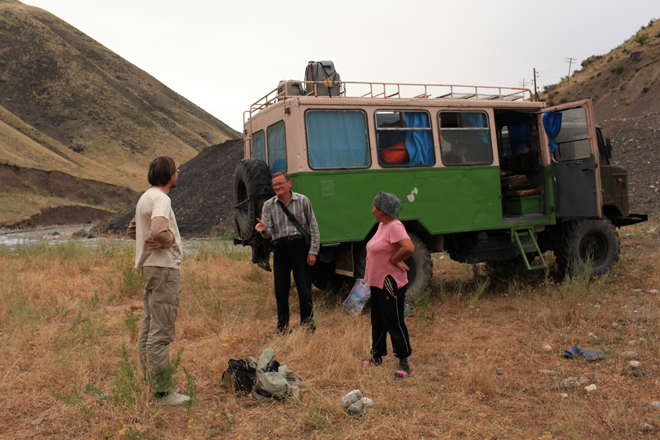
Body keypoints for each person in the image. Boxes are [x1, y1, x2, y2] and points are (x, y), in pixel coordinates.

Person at [127, 156, 190, 405]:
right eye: (176, 170)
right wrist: (168, 240)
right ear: (169, 175)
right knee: (161, 331)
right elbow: (157, 231)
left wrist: (150, 241)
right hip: (164, 269)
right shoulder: (162, 198)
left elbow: (134, 230)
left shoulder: (145, 197)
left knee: (149, 326)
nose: (178, 173)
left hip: (150, 268)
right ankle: (162, 393)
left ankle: (149, 383)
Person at [255, 171, 320, 334]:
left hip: (300, 246)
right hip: (280, 247)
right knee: (281, 290)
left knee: (304, 288)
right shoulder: (268, 205)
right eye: (274, 185)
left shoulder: (303, 200)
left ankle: (308, 325)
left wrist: (313, 251)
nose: (277, 187)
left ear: (289, 183)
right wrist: (263, 231)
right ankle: (282, 327)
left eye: (280, 183)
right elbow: (268, 232)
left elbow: (313, 226)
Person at [363, 191, 415, 378]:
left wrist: (394, 259)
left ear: (382, 210)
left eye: (374, 207)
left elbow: (408, 247)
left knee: (393, 321)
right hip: (376, 282)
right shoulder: (382, 225)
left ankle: (404, 362)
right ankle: (377, 356)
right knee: (377, 321)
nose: (372, 209)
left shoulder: (395, 226)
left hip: (389, 283)